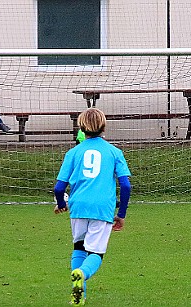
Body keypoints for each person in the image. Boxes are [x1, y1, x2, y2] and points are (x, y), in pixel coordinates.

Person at [53, 108, 131, 305]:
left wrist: (62, 204)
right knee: (95, 253)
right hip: (102, 208)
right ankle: (83, 273)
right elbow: (126, 185)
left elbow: (59, 187)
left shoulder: (73, 152)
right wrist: (121, 213)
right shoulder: (114, 152)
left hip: (78, 206)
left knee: (79, 247)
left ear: (81, 127)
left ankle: (79, 296)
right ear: (104, 126)